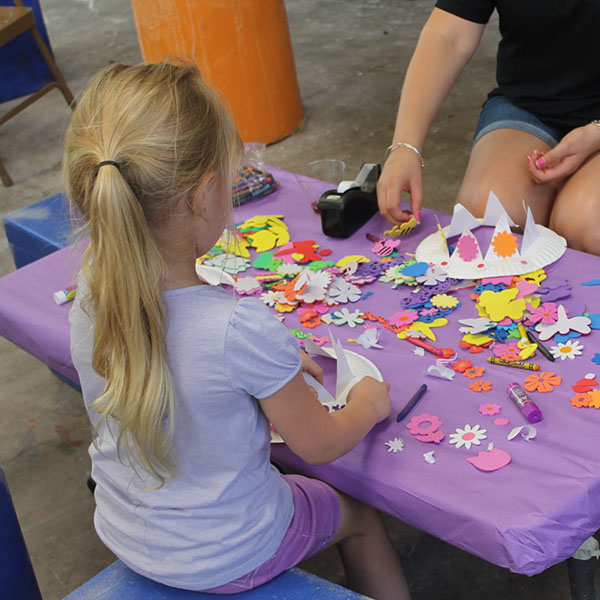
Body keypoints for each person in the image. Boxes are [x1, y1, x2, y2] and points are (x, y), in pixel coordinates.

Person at [64, 62, 410, 599]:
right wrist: (368, 402)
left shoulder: (91, 289)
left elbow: (180, 362)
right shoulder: (237, 328)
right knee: (360, 516)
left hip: (125, 531)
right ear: (204, 196)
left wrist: (269, 363)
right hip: (230, 552)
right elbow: (319, 445)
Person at [377, 1, 600, 255]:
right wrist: (405, 147)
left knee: (589, 227)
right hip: (529, 102)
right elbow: (448, 36)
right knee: (489, 220)